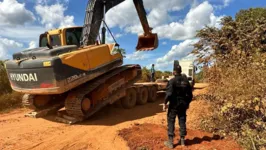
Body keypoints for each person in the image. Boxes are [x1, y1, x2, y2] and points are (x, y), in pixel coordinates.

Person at [163, 64, 193, 148]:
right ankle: (182, 141)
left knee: (171, 121)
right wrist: (187, 103)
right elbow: (190, 95)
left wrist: (165, 103)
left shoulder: (172, 81)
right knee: (182, 120)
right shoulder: (186, 81)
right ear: (181, 71)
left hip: (173, 104)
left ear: (174, 71)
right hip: (183, 104)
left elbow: (168, 94)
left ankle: (170, 142)